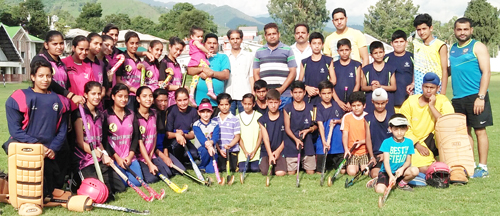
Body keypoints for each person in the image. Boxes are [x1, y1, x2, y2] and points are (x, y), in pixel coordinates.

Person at [5, 61, 70, 199]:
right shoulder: (19, 97)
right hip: (27, 148)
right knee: (30, 190)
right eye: (41, 76)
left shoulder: (60, 101)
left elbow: (62, 131)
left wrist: (52, 149)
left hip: (49, 151)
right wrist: (37, 147)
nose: (45, 79)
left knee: (49, 190)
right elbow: (15, 130)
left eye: (48, 76)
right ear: (33, 77)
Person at [449, 17, 493, 178]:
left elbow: (486, 72)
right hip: (458, 98)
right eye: (459, 29)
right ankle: (470, 164)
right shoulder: (452, 48)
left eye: (465, 29)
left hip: (475, 96)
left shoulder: (478, 46)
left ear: (471, 30)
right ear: (454, 31)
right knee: (464, 132)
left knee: (480, 130)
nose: (462, 32)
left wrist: (480, 96)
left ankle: (483, 167)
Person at [72, 81, 125, 195]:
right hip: (84, 161)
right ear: (86, 95)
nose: (97, 97)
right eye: (93, 94)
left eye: (99, 94)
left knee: (119, 187)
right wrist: (97, 153)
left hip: (98, 157)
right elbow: (80, 142)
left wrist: (104, 153)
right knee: (100, 193)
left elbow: (99, 141)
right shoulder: (79, 114)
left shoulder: (101, 115)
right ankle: (74, 181)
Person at [400, 73, 454, 173]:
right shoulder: (410, 101)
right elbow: (403, 127)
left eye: (432, 88)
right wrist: (417, 144)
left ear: (438, 88)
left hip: (434, 140)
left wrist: (432, 107)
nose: (428, 90)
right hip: (415, 142)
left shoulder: (442, 100)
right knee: (424, 168)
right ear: (422, 86)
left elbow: (448, 123)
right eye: (426, 87)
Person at [102, 83, 143, 186]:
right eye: (120, 96)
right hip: (115, 158)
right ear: (113, 97)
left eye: (126, 96)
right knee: (122, 183)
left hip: (129, 157)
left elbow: (135, 137)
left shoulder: (131, 114)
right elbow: (104, 140)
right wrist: (117, 158)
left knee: (137, 183)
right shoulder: (105, 115)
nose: (123, 99)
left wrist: (130, 156)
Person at [31, 30, 85, 106]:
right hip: (46, 105)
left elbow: (66, 86)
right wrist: (70, 95)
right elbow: (50, 83)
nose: (59, 47)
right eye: (55, 44)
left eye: (61, 43)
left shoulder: (62, 64)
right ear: (46, 45)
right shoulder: (40, 60)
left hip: (63, 107)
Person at [135, 86, 177, 183]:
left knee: (168, 173)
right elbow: (139, 143)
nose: (148, 99)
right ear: (138, 99)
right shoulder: (134, 116)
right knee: (152, 179)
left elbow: (154, 137)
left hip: (151, 153)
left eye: (150, 96)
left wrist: (150, 156)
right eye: (144, 96)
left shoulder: (154, 114)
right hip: (139, 156)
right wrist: (148, 162)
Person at [253, 23, 297, 109]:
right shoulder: (259, 52)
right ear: (265, 36)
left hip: (284, 95)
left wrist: (281, 89)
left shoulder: (288, 50)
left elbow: (293, 72)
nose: (272, 36)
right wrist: (263, 91)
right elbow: (256, 73)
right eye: (269, 34)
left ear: (279, 34)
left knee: (284, 120)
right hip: (266, 96)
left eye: (274, 34)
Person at [374, 114, 419, 193]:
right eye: (396, 129)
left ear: (406, 129)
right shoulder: (386, 142)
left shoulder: (409, 142)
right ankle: (376, 182)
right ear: (390, 129)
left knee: (415, 170)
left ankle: (402, 184)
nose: (399, 132)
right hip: (387, 172)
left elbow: (408, 161)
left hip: (400, 172)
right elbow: (386, 161)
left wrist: (402, 169)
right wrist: (391, 176)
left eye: (402, 129)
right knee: (380, 190)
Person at [187, 33, 230, 110]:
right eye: (209, 43)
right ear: (204, 44)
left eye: (214, 43)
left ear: (218, 45)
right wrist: (202, 70)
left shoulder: (223, 57)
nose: (212, 45)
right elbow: (190, 70)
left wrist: (212, 73)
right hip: (199, 102)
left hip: (217, 103)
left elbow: (226, 75)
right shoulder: (199, 56)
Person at [283, 81, 317, 175]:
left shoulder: (312, 108)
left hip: (308, 143)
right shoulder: (287, 108)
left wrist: (309, 130)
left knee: (310, 172)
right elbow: (287, 128)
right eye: (295, 92)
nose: (298, 95)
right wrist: (296, 140)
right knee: (291, 173)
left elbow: (315, 125)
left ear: (304, 93)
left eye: (300, 92)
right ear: (291, 93)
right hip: (292, 143)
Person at [410, 14, 448, 95]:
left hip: (434, 86)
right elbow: (416, 65)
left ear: (431, 28)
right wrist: (413, 83)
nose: (421, 32)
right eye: (418, 30)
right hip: (419, 88)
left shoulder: (440, 45)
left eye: (424, 29)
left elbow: (445, 70)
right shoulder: (416, 44)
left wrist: (443, 91)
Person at [341, 91, 376, 176]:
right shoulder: (347, 117)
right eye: (353, 106)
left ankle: (358, 166)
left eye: (358, 105)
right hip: (352, 152)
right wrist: (346, 149)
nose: (356, 108)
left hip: (364, 152)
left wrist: (361, 142)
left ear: (364, 106)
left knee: (366, 172)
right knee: (352, 172)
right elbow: (345, 134)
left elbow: (371, 137)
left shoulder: (368, 117)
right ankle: (348, 167)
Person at [152, 88, 186, 173]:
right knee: (167, 172)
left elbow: (165, 139)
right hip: (153, 151)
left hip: (162, 149)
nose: (163, 104)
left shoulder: (165, 114)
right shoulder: (152, 115)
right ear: (154, 101)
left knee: (180, 170)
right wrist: (164, 157)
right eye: (160, 101)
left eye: (165, 101)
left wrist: (166, 154)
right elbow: (151, 144)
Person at [314, 80, 345, 173]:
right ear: (319, 94)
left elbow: (344, 120)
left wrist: (337, 121)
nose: (327, 96)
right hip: (324, 143)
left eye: (329, 93)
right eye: (324, 93)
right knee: (320, 171)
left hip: (337, 143)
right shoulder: (317, 108)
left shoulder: (337, 105)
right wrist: (324, 142)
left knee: (342, 171)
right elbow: (320, 125)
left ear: (332, 93)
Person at [298, 32, 336, 105]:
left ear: (323, 45)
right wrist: (306, 88)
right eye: (314, 43)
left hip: (324, 98)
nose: (317, 46)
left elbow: (333, 80)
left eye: (319, 43)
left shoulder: (328, 60)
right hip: (309, 98)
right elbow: (300, 82)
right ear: (310, 44)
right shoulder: (304, 62)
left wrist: (321, 90)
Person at [365, 88, 393, 180]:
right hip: (377, 156)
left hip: (391, 154)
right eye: (377, 103)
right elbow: (368, 139)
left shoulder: (392, 117)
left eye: (382, 103)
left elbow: (396, 138)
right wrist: (372, 156)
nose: (380, 106)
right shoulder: (367, 118)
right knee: (375, 174)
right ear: (372, 102)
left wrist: (386, 154)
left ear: (387, 101)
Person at [166, 88, 200, 166]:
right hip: (172, 141)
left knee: (194, 154)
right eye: (179, 100)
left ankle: (182, 160)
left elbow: (192, 134)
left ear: (188, 99)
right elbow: (167, 134)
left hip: (185, 140)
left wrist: (183, 135)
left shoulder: (193, 112)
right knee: (176, 146)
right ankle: (176, 160)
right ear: (175, 100)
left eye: (185, 99)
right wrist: (176, 135)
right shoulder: (171, 111)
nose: (183, 103)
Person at [360, 41, 396, 114]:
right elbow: (363, 87)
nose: (378, 55)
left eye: (380, 52)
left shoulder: (390, 68)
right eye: (375, 53)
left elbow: (393, 87)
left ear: (384, 53)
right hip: (371, 102)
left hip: (387, 101)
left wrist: (380, 86)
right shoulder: (366, 69)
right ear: (371, 55)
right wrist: (371, 88)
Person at [62, 35, 96, 110]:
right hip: (65, 107)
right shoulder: (63, 63)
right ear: (73, 48)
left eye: (87, 49)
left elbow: (92, 89)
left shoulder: (88, 68)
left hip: (82, 109)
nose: (84, 52)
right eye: (81, 49)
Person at [258, 89, 286, 176]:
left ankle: (278, 166)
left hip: (281, 151)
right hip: (266, 151)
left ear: (280, 102)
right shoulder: (262, 120)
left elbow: (286, 138)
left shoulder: (284, 117)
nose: (273, 105)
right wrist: (270, 154)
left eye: (275, 102)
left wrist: (278, 151)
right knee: (266, 172)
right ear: (266, 102)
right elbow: (265, 139)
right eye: (270, 102)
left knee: (280, 173)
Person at [225, 29, 253, 115]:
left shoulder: (248, 56)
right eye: (232, 39)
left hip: (245, 93)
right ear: (229, 40)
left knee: (246, 120)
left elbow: (251, 75)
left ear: (241, 39)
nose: (235, 41)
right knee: (229, 121)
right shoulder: (225, 56)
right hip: (229, 93)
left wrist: (252, 93)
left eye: (237, 38)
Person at [384, 30, 414, 113]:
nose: (399, 44)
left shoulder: (412, 57)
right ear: (391, 43)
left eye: (401, 41)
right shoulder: (386, 58)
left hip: (408, 98)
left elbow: (417, 72)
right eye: (396, 42)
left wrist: (413, 83)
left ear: (406, 43)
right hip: (391, 100)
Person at [188, 26, 216, 105]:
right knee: (208, 75)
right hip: (200, 61)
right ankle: (210, 90)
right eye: (198, 36)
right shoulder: (196, 42)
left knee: (195, 79)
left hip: (195, 62)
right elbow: (200, 47)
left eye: (201, 36)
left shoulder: (193, 44)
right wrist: (208, 52)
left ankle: (191, 95)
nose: (200, 38)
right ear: (192, 36)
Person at [213, 93, 241, 173]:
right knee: (222, 169)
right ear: (218, 106)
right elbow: (214, 137)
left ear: (230, 105)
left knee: (232, 168)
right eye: (222, 105)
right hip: (220, 150)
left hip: (232, 149)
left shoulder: (235, 119)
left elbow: (237, 136)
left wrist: (230, 145)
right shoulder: (215, 120)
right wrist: (219, 149)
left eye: (226, 104)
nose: (224, 107)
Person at [116, 31, 142, 110]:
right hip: (128, 96)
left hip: (138, 95)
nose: (134, 46)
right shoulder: (122, 58)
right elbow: (118, 80)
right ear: (126, 43)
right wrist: (132, 89)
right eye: (132, 43)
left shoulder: (138, 59)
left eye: (136, 43)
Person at [333, 38, 362, 111]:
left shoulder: (357, 65)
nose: (344, 52)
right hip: (336, 102)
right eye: (341, 50)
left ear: (350, 50)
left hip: (352, 103)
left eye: (346, 50)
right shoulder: (333, 65)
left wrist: (351, 101)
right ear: (338, 51)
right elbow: (330, 85)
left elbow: (357, 84)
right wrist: (338, 101)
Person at [193, 98, 220, 172]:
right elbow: (201, 139)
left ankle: (207, 166)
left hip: (212, 149)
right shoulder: (196, 124)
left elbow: (215, 137)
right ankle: (201, 165)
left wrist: (211, 143)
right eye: (203, 112)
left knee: (211, 170)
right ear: (199, 113)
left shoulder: (215, 124)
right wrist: (208, 146)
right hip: (201, 150)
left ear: (212, 112)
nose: (205, 114)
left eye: (208, 112)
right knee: (204, 151)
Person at [238, 93, 262, 172]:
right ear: (242, 103)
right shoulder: (238, 117)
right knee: (243, 169)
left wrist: (254, 151)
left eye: (249, 104)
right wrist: (245, 151)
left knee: (255, 169)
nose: (247, 106)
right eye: (245, 104)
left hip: (256, 151)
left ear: (254, 104)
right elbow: (238, 136)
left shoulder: (259, 116)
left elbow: (260, 136)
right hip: (243, 152)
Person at [159, 37, 186, 108]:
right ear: (170, 47)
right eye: (176, 49)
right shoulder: (164, 63)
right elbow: (162, 85)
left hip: (178, 101)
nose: (178, 52)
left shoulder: (178, 64)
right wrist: (180, 87)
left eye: (180, 50)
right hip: (169, 102)